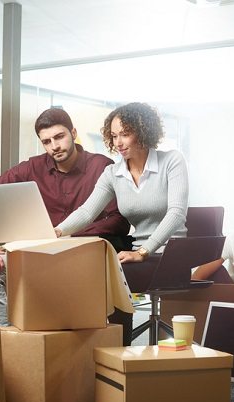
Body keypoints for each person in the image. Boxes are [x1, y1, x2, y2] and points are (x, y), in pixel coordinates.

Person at [0, 107, 131, 326]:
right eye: (46, 141)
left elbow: (119, 219)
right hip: (41, 252)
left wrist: (71, 236)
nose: (54, 146)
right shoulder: (31, 168)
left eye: (59, 137)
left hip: (86, 252)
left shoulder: (101, 166)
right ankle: (9, 337)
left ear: (73, 133)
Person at [55, 102, 189, 344]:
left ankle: (119, 347)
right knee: (93, 268)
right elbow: (87, 212)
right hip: (136, 254)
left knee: (110, 274)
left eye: (125, 134)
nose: (118, 142)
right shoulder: (113, 174)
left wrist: (143, 251)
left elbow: (177, 213)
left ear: (144, 132)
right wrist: (56, 231)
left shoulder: (172, 161)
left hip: (172, 252)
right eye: (114, 136)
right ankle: (108, 349)